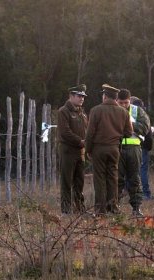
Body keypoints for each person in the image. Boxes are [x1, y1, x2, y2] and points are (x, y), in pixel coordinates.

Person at [85, 84, 133, 215]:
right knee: (113, 177)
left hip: (98, 149)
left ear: (104, 96)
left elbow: (90, 133)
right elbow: (129, 133)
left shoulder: (96, 110)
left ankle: (100, 209)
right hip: (114, 149)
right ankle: (113, 207)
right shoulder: (123, 112)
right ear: (115, 97)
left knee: (99, 178)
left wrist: (88, 150)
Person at [117, 90, 150, 217]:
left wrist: (130, 124)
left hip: (134, 148)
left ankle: (136, 208)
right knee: (117, 179)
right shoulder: (113, 110)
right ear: (116, 101)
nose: (124, 105)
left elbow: (145, 127)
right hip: (117, 147)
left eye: (126, 102)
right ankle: (115, 206)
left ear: (129, 100)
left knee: (134, 178)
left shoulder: (137, 111)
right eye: (120, 103)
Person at [57, 84, 88, 214]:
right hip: (68, 151)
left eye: (83, 96)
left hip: (80, 152)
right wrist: (80, 141)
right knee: (67, 182)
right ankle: (66, 210)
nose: (82, 99)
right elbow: (65, 132)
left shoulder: (82, 113)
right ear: (71, 96)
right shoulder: (63, 111)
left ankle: (80, 209)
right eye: (79, 96)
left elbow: (86, 130)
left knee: (79, 181)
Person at [131, 97, 154, 200]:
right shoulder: (143, 115)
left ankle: (138, 193)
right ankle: (145, 193)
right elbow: (148, 133)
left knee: (135, 171)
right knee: (142, 170)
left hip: (134, 146)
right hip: (143, 146)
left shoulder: (132, 114)